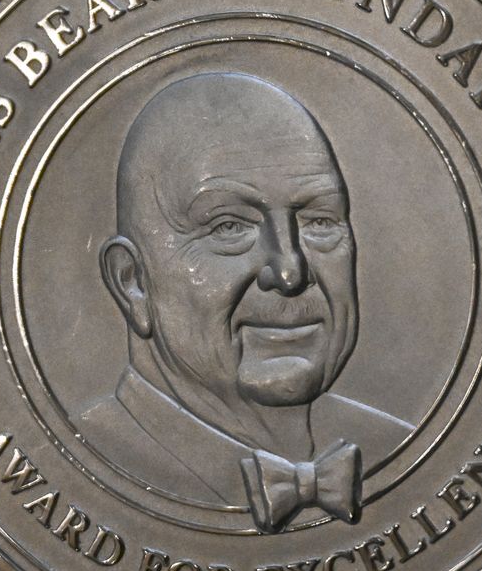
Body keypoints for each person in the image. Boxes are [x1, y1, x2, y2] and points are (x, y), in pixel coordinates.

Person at [74, 72, 411, 531]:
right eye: (229, 227)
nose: (290, 272)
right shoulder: (78, 470)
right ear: (134, 283)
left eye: (319, 220)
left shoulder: (403, 448)